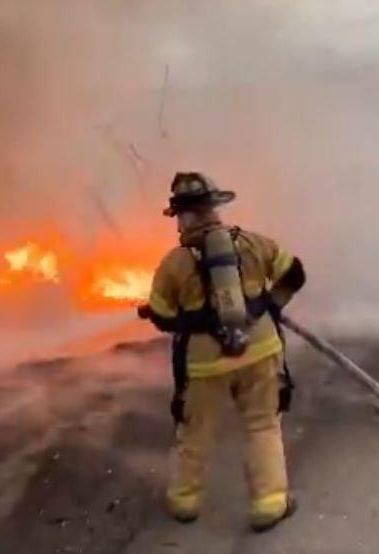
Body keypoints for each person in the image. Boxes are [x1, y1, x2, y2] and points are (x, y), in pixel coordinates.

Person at [137, 172, 306, 532]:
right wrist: (270, 306)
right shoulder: (253, 243)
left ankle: (184, 501)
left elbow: (164, 316)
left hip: (205, 367)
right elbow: (295, 273)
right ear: (215, 207)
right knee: (263, 426)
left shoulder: (174, 263)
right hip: (261, 352)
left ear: (181, 217)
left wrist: (184, 316)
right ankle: (270, 503)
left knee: (194, 432)